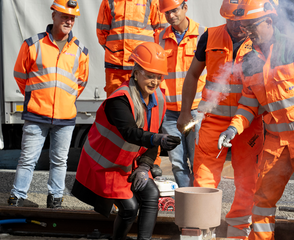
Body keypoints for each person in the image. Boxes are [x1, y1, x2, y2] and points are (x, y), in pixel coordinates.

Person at [219, 0, 294, 239]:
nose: (247, 32)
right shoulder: (250, 62)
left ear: (269, 21)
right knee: (262, 202)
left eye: (250, 26)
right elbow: (248, 105)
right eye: (243, 27)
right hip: (275, 145)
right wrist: (233, 130)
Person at [71, 42, 181, 240]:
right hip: (105, 166)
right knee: (130, 207)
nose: (154, 81)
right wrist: (157, 139)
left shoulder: (159, 98)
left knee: (151, 195)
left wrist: (145, 166)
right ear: (136, 72)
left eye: (158, 76)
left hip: (129, 164)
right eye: (149, 75)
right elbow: (130, 133)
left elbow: (152, 136)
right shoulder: (119, 99)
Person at [177, 0, 264, 238]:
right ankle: (199, 231)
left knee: (247, 182)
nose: (236, 26)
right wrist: (186, 111)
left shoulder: (260, 40)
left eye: (241, 21)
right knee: (203, 178)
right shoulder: (210, 36)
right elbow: (193, 75)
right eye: (231, 21)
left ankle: (237, 233)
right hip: (213, 121)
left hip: (249, 124)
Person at [8, 0, 89, 209]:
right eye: (64, 16)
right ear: (53, 15)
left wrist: (65, 100)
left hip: (65, 117)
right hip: (37, 114)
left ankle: (55, 200)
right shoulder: (32, 44)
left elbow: (81, 82)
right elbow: (20, 75)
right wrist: (37, 96)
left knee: (60, 161)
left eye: (72, 18)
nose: (69, 21)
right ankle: (16, 198)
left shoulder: (81, 51)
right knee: (27, 159)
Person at [154, 0, 206, 187]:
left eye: (174, 10)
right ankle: (187, 201)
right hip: (169, 113)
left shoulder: (203, 35)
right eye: (166, 12)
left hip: (196, 110)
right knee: (177, 163)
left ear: (185, 7)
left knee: (198, 161)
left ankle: (200, 203)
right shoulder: (159, 37)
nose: (171, 16)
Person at [96, 0, 168, 97]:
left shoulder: (152, 1)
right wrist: (112, 50)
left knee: (143, 102)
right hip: (116, 64)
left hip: (143, 64)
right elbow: (102, 31)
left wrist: (151, 56)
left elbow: (160, 31)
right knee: (115, 102)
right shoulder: (109, 1)